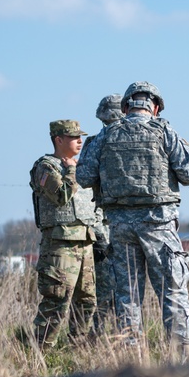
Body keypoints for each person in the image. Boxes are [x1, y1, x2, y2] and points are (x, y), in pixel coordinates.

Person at [76, 81, 189, 351]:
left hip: (119, 226)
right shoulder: (164, 130)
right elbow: (188, 174)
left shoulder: (105, 135)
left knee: (127, 294)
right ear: (155, 107)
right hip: (158, 224)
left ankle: (131, 355)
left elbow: (83, 176)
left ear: (125, 106)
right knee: (172, 289)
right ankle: (182, 355)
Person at [29, 120, 99, 348]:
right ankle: (40, 352)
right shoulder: (46, 167)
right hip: (60, 244)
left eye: (80, 136)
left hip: (85, 242)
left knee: (87, 300)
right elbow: (61, 196)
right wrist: (71, 170)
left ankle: (77, 349)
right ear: (59, 140)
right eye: (73, 137)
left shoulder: (82, 166)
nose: (80, 141)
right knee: (57, 299)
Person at [81, 94, 123, 334]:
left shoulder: (97, 143)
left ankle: (121, 336)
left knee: (122, 288)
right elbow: (86, 184)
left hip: (118, 223)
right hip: (105, 224)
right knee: (107, 288)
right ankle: (99, 337)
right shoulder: (94, 143)